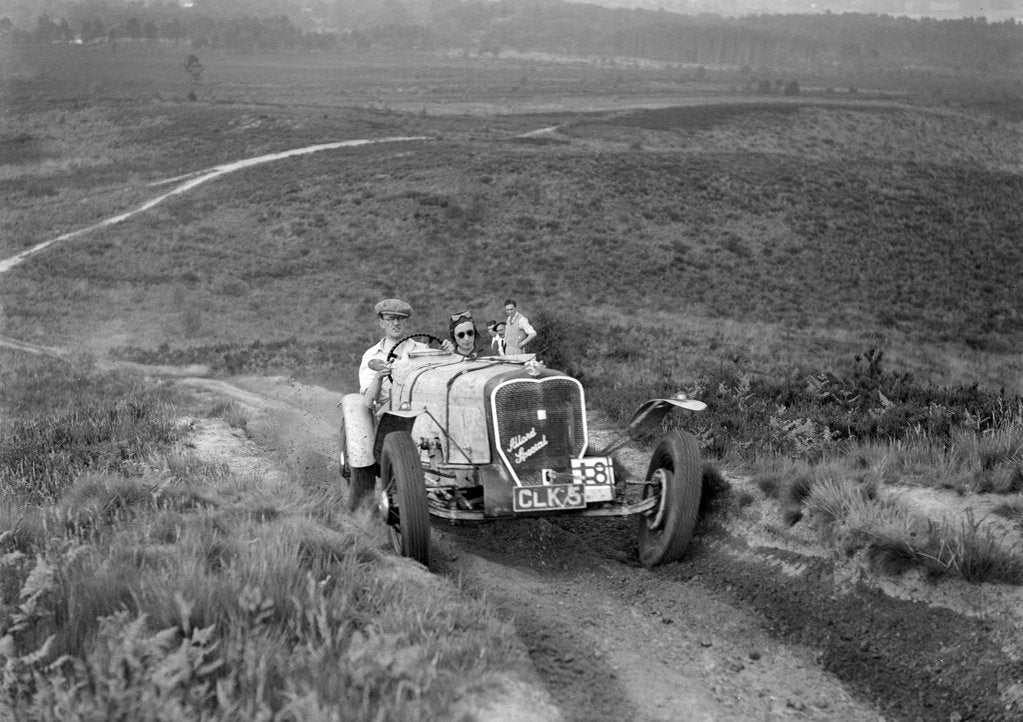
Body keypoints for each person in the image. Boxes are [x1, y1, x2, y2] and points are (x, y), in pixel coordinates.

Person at [359, 298, 436, 410]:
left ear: (406, 321)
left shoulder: (422, 350)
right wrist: (378, 377)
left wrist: (448, 352)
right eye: (390, 319)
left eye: (400, 318)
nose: (396, 323)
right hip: (387, 412)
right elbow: (370, 402)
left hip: (420, 407)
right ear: (381, 323)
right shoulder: (371, 356)